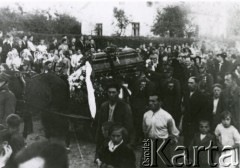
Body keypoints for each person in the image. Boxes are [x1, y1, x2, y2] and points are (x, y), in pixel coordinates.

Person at [95, 82, 134, 154]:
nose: (111, 95)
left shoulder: (124, 106)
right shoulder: (104, 106)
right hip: (106, 136)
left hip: (118, 137)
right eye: (109, 92)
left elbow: (128, 126)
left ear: (118, 93)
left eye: (113, 92)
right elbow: (100, 125)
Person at [142, 93, 179, 167]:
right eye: (149, 101)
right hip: (149, 143)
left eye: (153, 101)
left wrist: (169, 143)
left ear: (160, 102)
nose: (150, 103)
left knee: (162, 165)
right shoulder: (146, 115)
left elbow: (174, 133)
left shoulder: (167, 116)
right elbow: (144, 130)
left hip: (162, 144)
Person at [182, 76, 207, 146]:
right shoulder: (186, 94)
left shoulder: (201, 96)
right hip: (186, 123)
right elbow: (184, 108)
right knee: (186, 143)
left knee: (194, 144)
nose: (189, 84)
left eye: (191, 83)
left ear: (197, 84)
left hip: (195, 124)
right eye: (188, 83)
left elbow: (202, 112)